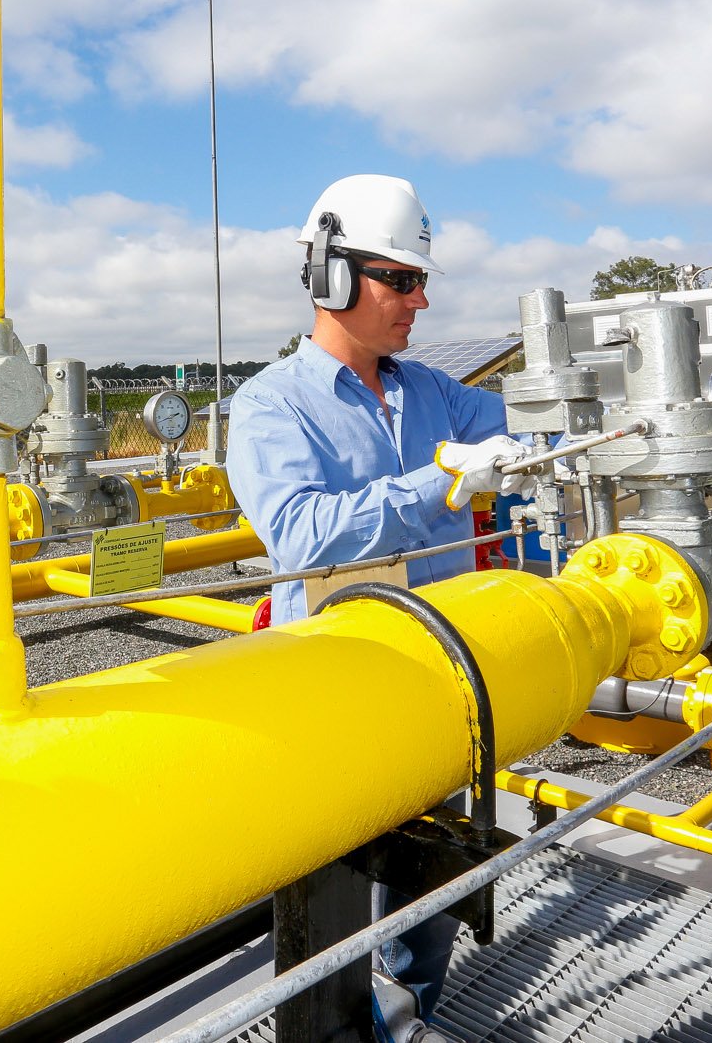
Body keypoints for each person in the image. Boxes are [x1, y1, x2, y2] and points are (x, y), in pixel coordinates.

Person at [224, 173, 534, 1029]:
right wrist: (437, 482)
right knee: (330, 903)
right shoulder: (267, 408)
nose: (418, 300)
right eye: (400, 278)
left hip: (436, 681)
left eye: (420, 280)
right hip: (332, 693)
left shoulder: (433, 394)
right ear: (329, 276)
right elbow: (299, 532)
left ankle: (410, 1013)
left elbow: (532, 417)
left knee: (428, 900)